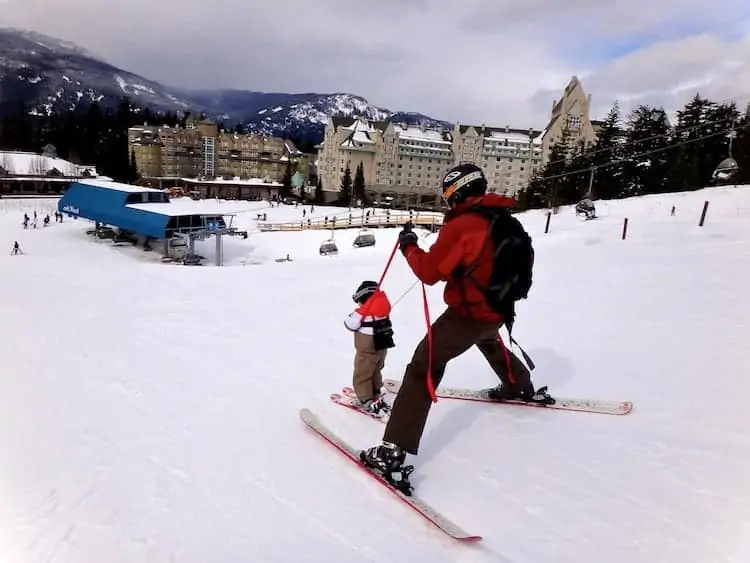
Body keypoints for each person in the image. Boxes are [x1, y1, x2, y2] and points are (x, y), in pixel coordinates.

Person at [360, 163, 550, 487]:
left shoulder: (463, 225)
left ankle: (392, 451)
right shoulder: (503, 219)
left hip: (469, 313)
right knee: (488, 339)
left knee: (423, 365)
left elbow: (430, 273)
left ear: (455, 192)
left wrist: (409, 246)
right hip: (498, 310)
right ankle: (519, 385)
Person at [344, 280, 396, 414]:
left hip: (367, 350)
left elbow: (349, 324)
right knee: (375, 370)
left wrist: (358, 313)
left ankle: (366, 401)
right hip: (382, 347)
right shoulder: (384, 309)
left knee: (362, 374)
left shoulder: (362, 312)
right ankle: (375, 392)